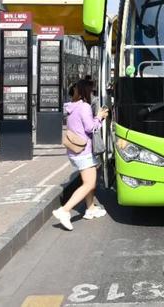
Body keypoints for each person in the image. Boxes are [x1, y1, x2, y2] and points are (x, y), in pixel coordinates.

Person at [52, 79, 109, 231]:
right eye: (91, 91)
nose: (92, 94)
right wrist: (100, 116)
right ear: (86, 91)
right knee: (89, 183)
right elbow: (91, 128)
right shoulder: (84, 107)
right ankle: (64, 211)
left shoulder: (71, 106)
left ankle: (90, 209)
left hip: (74, 151)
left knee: (88, 180)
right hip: (83, 151)